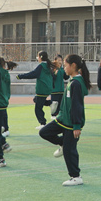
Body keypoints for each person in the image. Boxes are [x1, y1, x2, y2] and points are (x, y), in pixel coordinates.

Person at [39, 54, 89, 186]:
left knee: (70, 151)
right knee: (44, 132)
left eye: (66, 65)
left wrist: (77, 125)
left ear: (73, 66)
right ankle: (62, 143)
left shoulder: (77, 83)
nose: (64, 68)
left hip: (72, 123)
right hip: (63, 119)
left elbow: (77, 105)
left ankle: (76, 176)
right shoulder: (73, 81)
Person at [18, 52, 55, 129]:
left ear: (40, 57)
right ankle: (50, 103)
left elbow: (33, 74)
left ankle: (43, 123)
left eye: (38, 56)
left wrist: (21, 76)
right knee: (36, 100)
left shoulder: (41, 66)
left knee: (38, 108)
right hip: (47, 88)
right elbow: (53, 76)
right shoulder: (48, 66)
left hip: (41, 89)